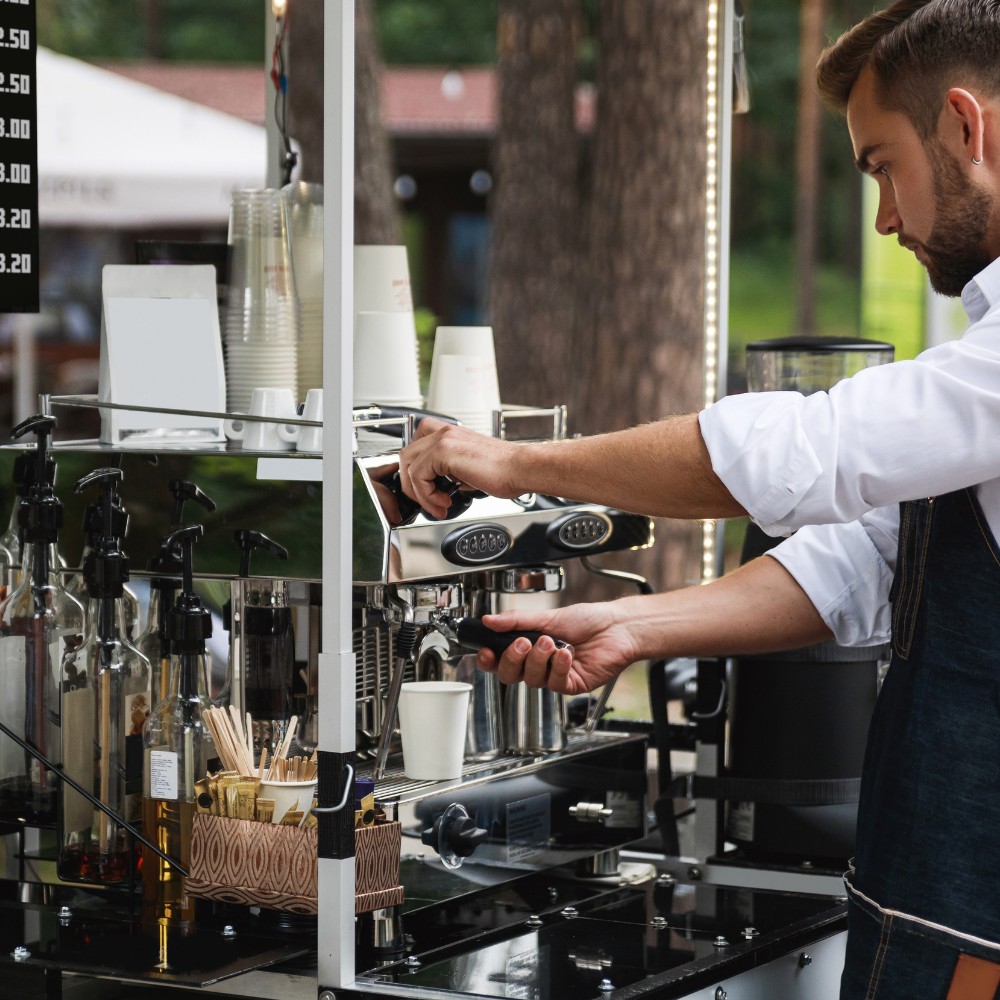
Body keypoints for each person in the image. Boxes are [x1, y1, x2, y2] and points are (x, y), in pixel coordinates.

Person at [396, 2, 1000, 996]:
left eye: (883, 165)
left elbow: (807, 451)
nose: (884, 217)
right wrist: (633, 625)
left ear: (966, 130)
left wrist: (513, 464)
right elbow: (859, 565)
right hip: (929, 902)